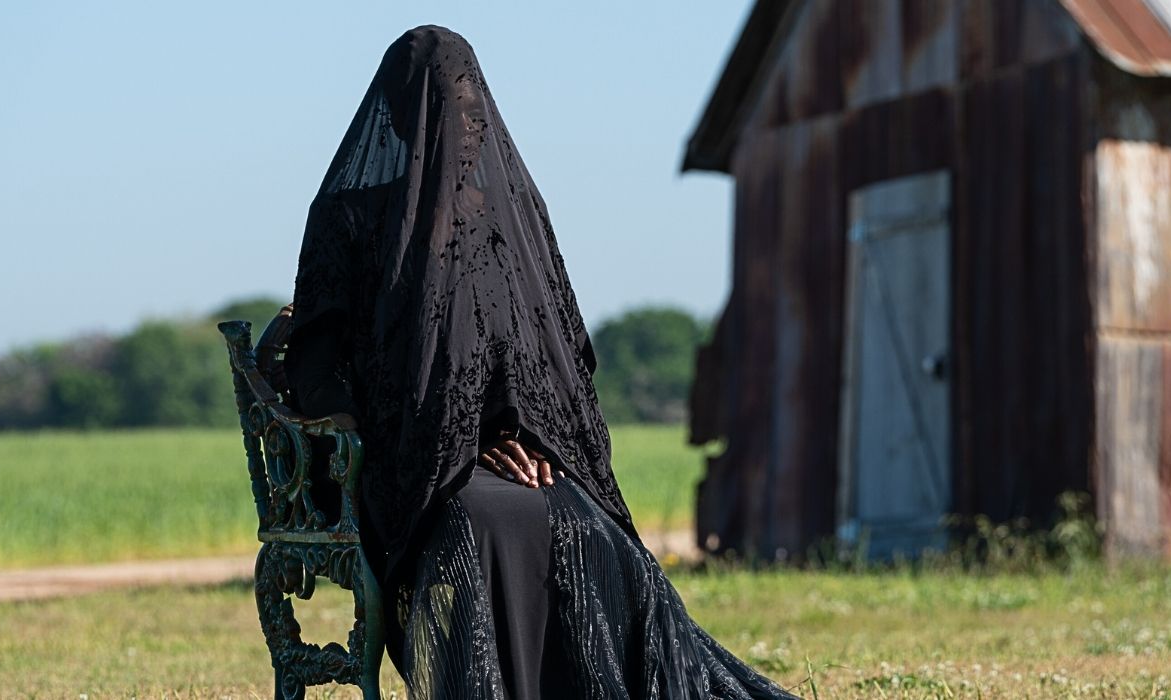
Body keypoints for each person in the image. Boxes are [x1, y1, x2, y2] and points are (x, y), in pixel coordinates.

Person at [286, 25, 800, 700]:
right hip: (409, 468)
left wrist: (516, 432)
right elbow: (320, 369)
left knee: (593, 530)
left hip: (519, 453)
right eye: (446, 111)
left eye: (475, 112)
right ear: (405, 118)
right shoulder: (347, 219)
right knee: (481, 527)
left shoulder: (513, 215)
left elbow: (554, 352)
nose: (465, 129)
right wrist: (445, 442)